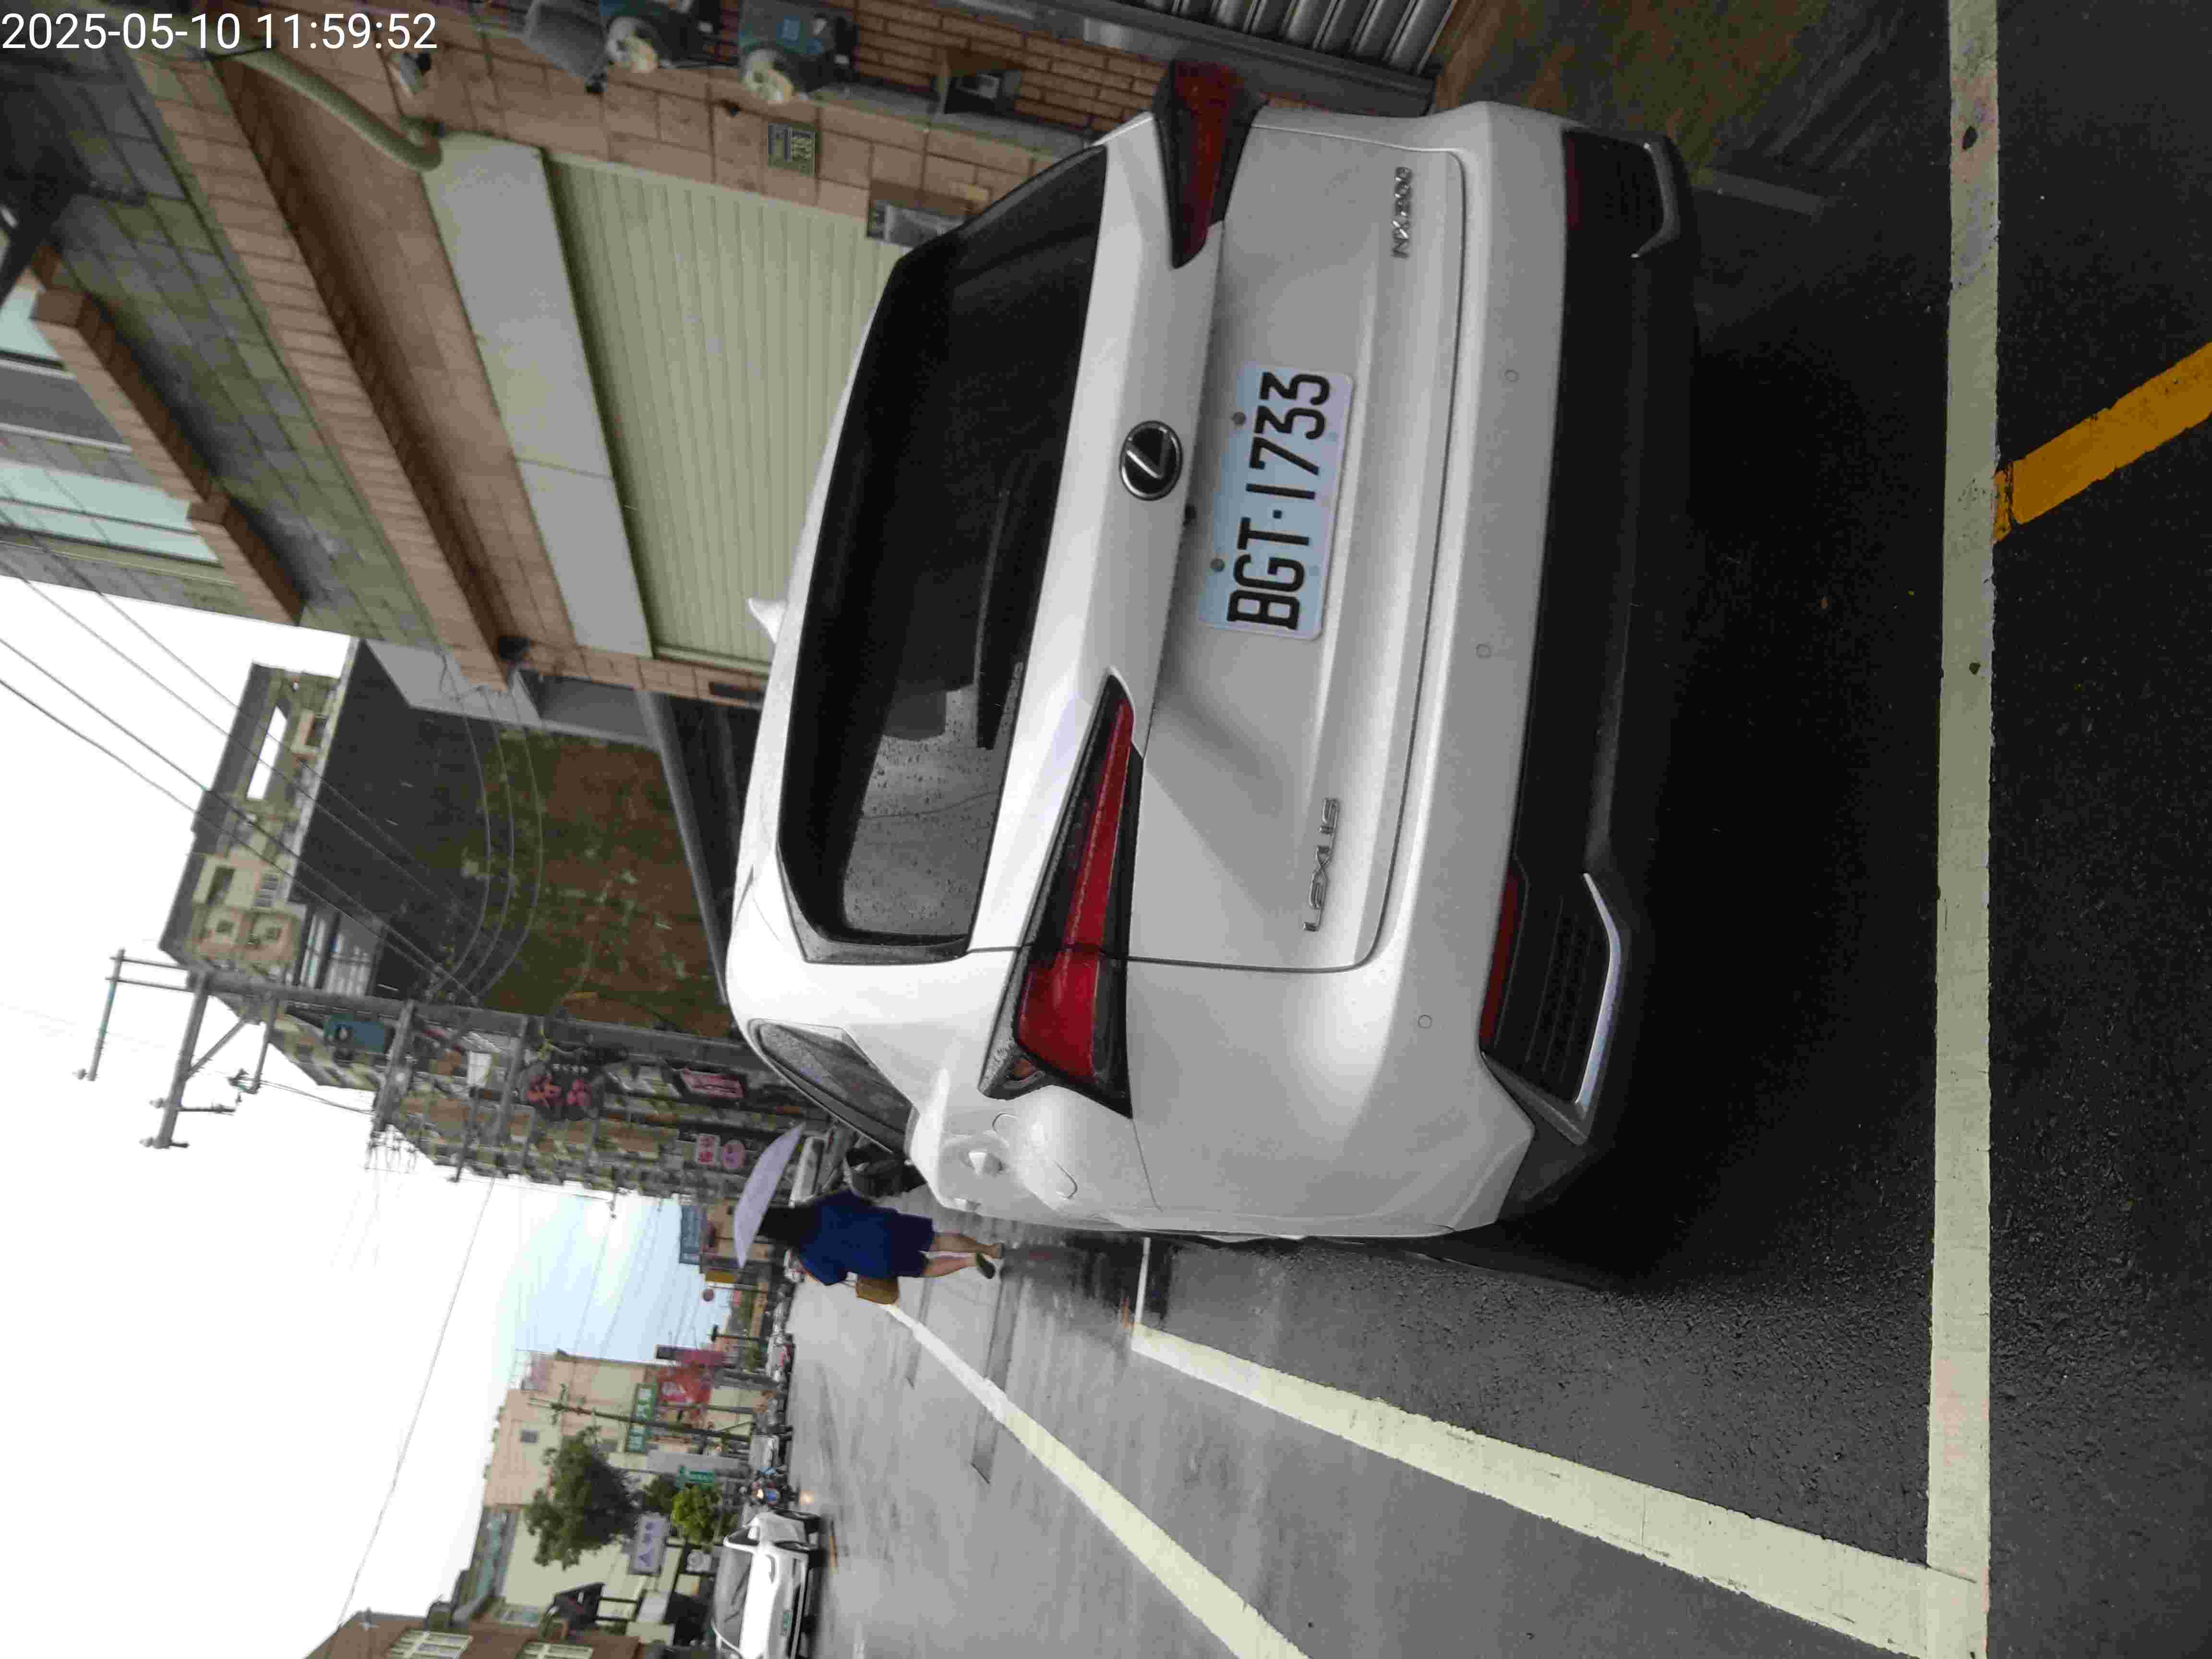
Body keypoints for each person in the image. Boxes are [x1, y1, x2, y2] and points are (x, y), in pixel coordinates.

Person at [754, 1191, 1005, 1285]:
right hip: (884, 1226)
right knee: (937, 1240)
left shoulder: (806, 1255)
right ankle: (991, 1249)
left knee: (926, 1268)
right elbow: (858, 1198)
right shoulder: (817, 1205)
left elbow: (835, 1277)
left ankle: (969, 1261)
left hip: (877, 1260)